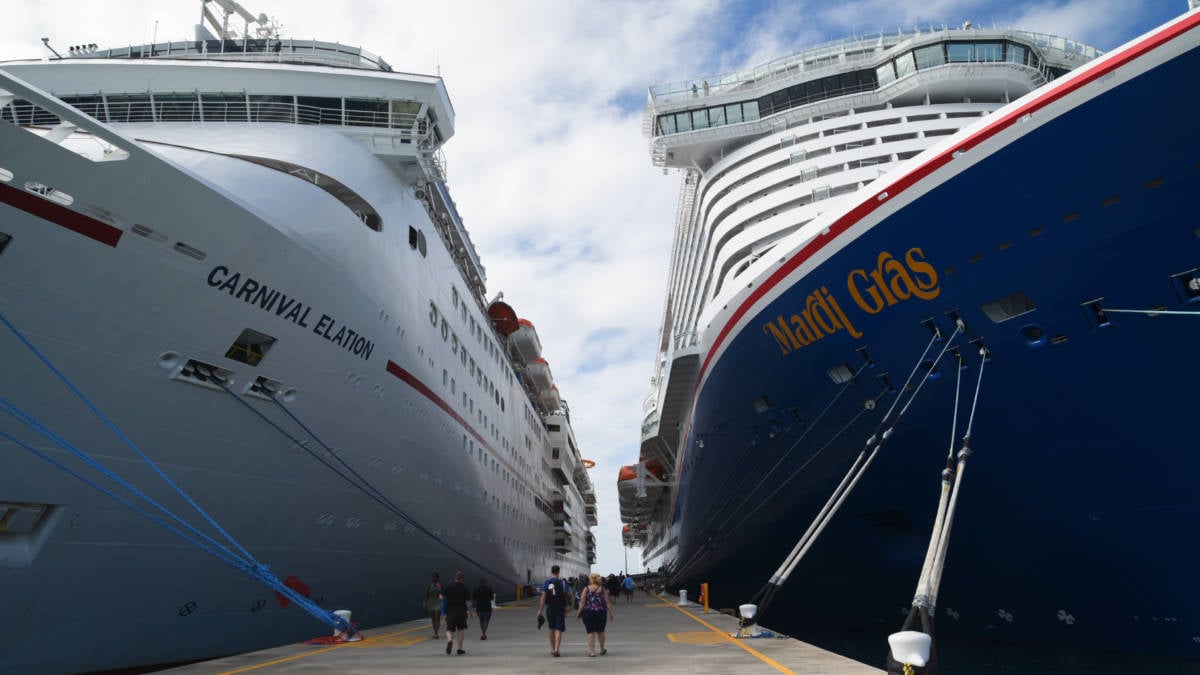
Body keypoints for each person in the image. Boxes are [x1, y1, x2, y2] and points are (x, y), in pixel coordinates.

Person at [576, 572, 615, 657]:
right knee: (601, 631)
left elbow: (582, 602)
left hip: (588, 613)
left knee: (590, 632)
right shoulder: (602, 589)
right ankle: (602, 649)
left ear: (591, 579)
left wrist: (578, 613)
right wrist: (611, 613)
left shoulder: (586, 589)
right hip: (601, 613)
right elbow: (607, 602)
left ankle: (592, 652)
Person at [536, 564, 570, 657]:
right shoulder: (563, 583)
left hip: (550, 608)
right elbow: (570, 595)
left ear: (551, 572)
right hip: (560, 608)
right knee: (558, 629)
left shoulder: (547, 583)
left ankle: (552, 649)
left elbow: (543, 597)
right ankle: (557, 649)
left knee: (551, 628)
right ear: (558, 572)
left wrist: (540, 610)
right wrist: (567, 606)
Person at [440, 570, 472, 655]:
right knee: (461, 630)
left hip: (450, 611)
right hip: (461, 611)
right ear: (462, 578)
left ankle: (450, 640)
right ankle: (459, 649)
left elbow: (441, 597)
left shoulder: (448, 587)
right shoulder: (465, 588)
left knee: (449, 630)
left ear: (455, 577)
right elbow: (468, 602)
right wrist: (471, 612)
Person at [423, 572, 443, 637]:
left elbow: (444, 593)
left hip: (438, 602)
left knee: (437, 617)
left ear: (437, 578)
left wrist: (441, 594)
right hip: (431, 602)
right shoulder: (429, 586)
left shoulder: (440, 585)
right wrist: (425, 601)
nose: (433, 578)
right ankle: (435, 632)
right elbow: (426, 594)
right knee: (433, 618)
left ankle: (436, 633)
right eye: (432, 577)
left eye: (435, 577)